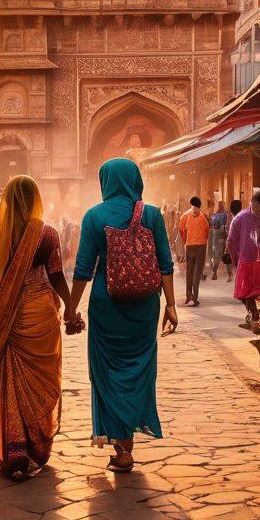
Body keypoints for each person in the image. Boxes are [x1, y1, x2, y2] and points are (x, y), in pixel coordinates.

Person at [68, 159, 177, 473]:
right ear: (135, 180)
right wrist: (171, 305)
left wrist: (72, 307)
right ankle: (127, 439)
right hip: (145, 306)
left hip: (107, 305)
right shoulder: (153, 215)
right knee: (139, 371)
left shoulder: (94, 216)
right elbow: (165, 264)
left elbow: (83, 270)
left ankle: (121, 447)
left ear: (106, 181)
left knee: (106, 372)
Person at [0, 176, 78, 479]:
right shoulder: (46, 235)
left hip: (3, 316)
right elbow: (56, 276)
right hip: (38, 314)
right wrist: (70, 308)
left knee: (7, 381)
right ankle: (34, 446)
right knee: (41, 382)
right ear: (35, 200)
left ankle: (14, 451)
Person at [228, 190, 260, 329]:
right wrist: (234, 258)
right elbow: (231, 240)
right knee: (243, 292)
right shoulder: (240, 217)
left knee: (256, 291)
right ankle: (253, 315)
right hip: (244, 259)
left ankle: (253, 316)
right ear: (254, 203)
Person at [178, 196, 209, 306]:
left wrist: (185, 241)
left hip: (190, 245)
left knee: (189, 271)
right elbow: (207, 231)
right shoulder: (204, 216)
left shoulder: (185, 215)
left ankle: (188, 296)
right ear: (200, 204)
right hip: (201, 246)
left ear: (190, 203)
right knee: (197, 272)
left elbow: (181, 230)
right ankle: (195, 297)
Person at [207, 200, 229, 280]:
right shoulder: (215, 215)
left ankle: (217, 272)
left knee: (218, 255)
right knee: (216, 255)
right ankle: (215, 272)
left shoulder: (224, 215)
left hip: (219, 236)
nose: (220, 207)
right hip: (216, 236)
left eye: (221, 205)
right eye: (220, 205)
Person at [224, 198, 243, 282]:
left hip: (231, 239)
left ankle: (230, 274)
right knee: (237, 259)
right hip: (239, 241)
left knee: (229, 257)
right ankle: (236, 275)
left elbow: (227, 228)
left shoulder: (231, 216)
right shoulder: (242, 217)